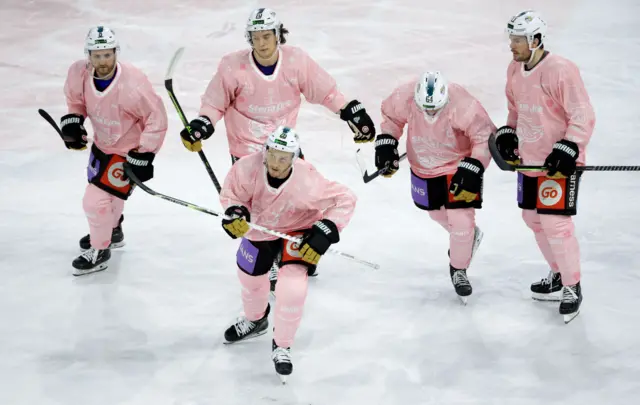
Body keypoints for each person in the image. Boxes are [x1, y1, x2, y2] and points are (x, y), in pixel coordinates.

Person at [179, 7, 375, 290]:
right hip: (247, 151)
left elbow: (326, 91)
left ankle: (301, 246)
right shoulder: (232, 67)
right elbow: (213, 104)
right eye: (256, 37)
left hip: (286, 147)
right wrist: (202, 125)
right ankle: (271, 258)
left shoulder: (295, 61)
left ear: (277, 34)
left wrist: (349, 111)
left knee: (303, 202)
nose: (261, 43)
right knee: (259, 210)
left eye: (267, 36)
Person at [218, 126, 357, 382]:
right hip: (259, 231)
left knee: (292, 290)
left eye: (284, 157)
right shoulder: (246, 168)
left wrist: (325, 231)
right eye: (273, 154)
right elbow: (231, 195)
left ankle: (282, 345)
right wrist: (234, 213)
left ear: (294, 158)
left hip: (296, 232)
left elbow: (346, 198)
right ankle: (254, 320)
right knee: (250, 279)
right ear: (265, 151)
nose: (276, 162)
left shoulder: (308, 180)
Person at [495, 10, 595, 323]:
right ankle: (557, 273)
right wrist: (510, 133)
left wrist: (569, 146)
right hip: (529, 162)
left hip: (558, 166)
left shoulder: (561, 70)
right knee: (533, 219)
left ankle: (572, 285)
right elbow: (515, 108)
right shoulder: (514, 68)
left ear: (536, 40)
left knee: (555, 224)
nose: (512, 44)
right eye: (511, 37)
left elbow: (583, 114)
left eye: (518, 39)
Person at [375, 71, 495, 303]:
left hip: (458, 169)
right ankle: (468, 238)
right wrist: (387, 142)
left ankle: (459, 270)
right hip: (423, 168)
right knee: (435, 213)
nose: (429, 112)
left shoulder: (462, 102)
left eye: (434, 109)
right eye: (425, 108)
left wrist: (475, 165)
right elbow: (392, 118)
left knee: (461, 221)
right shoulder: (406, 96)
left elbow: (484, 135)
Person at [61, 25, 168, 276]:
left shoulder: (133, 83)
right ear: (89, 55)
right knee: (112, 198)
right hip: (101, 145)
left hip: (127, 151)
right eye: (97, 56)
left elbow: (157, 118)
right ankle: (112, 231)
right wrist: (74, 122)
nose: (103, 61)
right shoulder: (79, 73)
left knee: (95, 201)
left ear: (115, 52)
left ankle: (100, 249)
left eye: (107, 54)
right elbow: (77, 101)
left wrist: (146, 153)